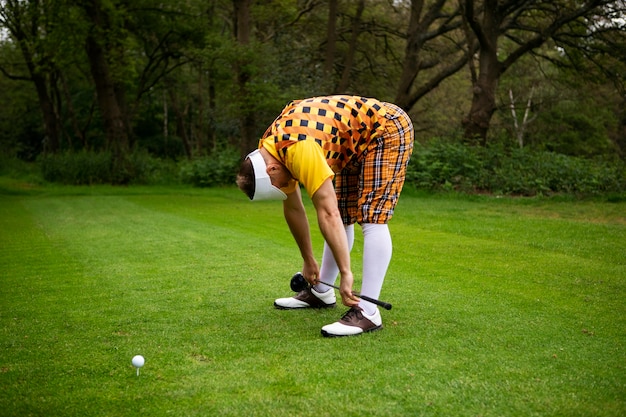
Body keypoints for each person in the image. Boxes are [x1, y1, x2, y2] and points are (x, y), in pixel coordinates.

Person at [236, 95, 414, 337]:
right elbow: (294, 209)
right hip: (352, 140)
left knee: (372, 217)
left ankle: (368, 311)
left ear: (272, 170)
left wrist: (347, 272)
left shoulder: (300, 149)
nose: (286, 188)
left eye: (279, 185)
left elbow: (326, 212)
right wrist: (308, 260)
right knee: (343, 215)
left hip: (385, 128)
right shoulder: (272, 150)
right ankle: (321, 291)